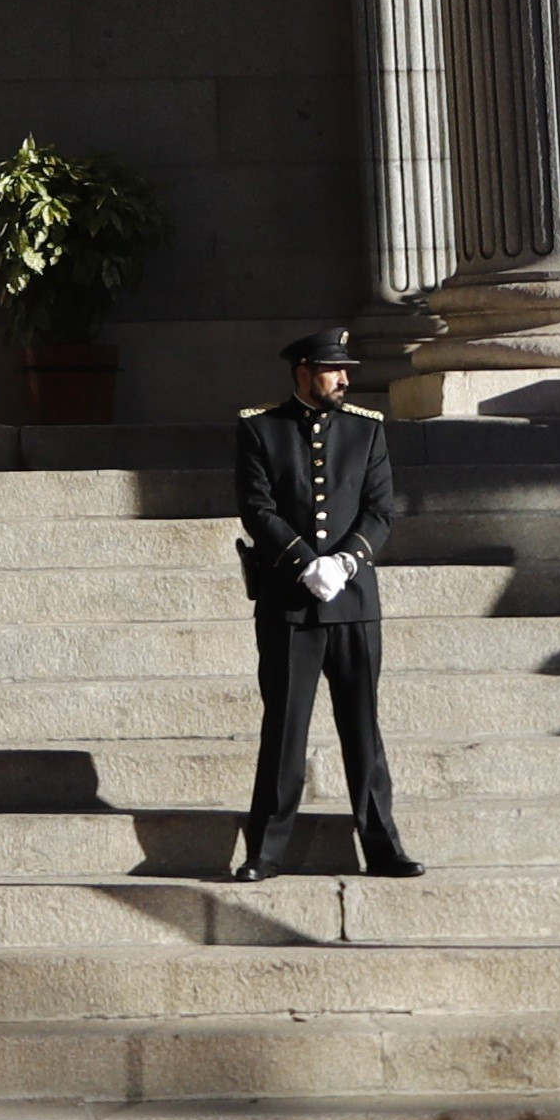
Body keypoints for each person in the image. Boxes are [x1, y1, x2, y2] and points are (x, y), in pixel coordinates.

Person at [228, 325, 415, 881]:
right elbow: (257, 509)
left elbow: (380, 510)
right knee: (285, 730)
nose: (344, 379)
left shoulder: (366, 433)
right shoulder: (261, 430)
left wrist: (343, 562)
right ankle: (266, 852)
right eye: (334, 369)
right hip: (289, 603)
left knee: (363, 729)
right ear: (304, 371)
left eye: (345, 369)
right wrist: (304, 560)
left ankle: (382, 847)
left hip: (353, 601)